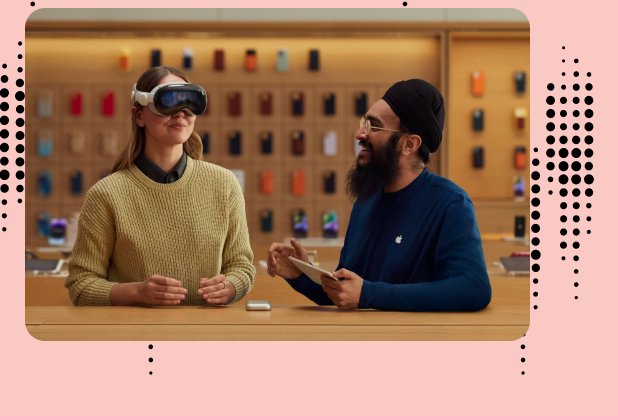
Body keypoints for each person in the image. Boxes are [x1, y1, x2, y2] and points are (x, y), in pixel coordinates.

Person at [266, 79, 492, 312]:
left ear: (408, 144)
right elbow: (347, 291)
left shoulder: (450, 204)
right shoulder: (366, 200)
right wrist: (301, 273)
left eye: (373, 126)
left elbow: (473, 289)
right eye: (363, 123)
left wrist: (368, 294)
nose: (359, 134)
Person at [65, 66, 255, 306]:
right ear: (139, 115)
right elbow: (81, 285)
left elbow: (241, 266)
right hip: (137, 337)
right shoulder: (106, 195)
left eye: (190, 103)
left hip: (206, 335)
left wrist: (230, 287)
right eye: (169, 102)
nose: (181, 113)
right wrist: (136, 293)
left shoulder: (224, 184)